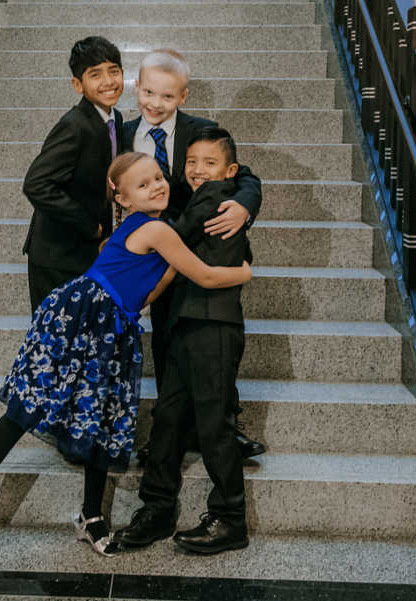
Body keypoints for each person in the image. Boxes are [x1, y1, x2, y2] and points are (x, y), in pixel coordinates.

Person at [0, 152, 252, 566]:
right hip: (80, 320)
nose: (157, 186)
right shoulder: (157, 229)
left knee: (99, 417)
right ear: (121, 199)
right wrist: (245, 272)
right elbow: (208, 276)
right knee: (25, 409)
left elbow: (150, 291)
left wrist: (159, 283)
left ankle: (90, 515)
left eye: (159, 178)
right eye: (143, 185)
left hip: (114, 325)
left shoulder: (149, 230)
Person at [115, 128, 253, 556]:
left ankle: (230, 518)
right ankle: (156, 506)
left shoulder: (217, 198)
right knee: (169, 418)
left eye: (208, 163)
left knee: (214, 425)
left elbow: (172, 239)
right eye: (191, 162)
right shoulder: (195, 193)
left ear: (228, 171)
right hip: (183, 323)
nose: (197, 170)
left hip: (212, 325)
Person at [122, 49, 264, 461]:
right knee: (165, 341)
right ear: (137, 89)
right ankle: (169, 433)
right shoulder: (121, 129)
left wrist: (244, 206)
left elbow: (246, 175)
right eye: (148, 93)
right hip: (149, 250)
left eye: (166, 97)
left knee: (209, 340)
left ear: (182, 97)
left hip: (200, 248)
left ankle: (223, 422)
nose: (155, 104)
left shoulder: (202, 130)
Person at [22, 36, 123, 313]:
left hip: (86, 253)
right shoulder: (74, 126)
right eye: (95, 74)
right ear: (78, 85)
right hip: (58, 257)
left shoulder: (116, 119)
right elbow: (37, 184)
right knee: (57, 344)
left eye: (114, 71)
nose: (108, 81)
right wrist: (91, 226)